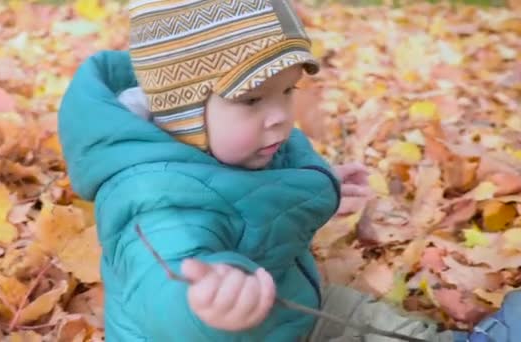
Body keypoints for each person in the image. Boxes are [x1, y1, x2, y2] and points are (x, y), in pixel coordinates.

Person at [57, 1, 516, 340]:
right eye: (252, 98)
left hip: (284, 307)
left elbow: (249, 201)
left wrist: (317, 184)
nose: (279, 115)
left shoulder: (234, 146)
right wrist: (204, 305)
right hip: (223, 329)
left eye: (288, 91)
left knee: (363, 315)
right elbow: (161, 289)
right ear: (183, 113)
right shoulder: (157, 200)